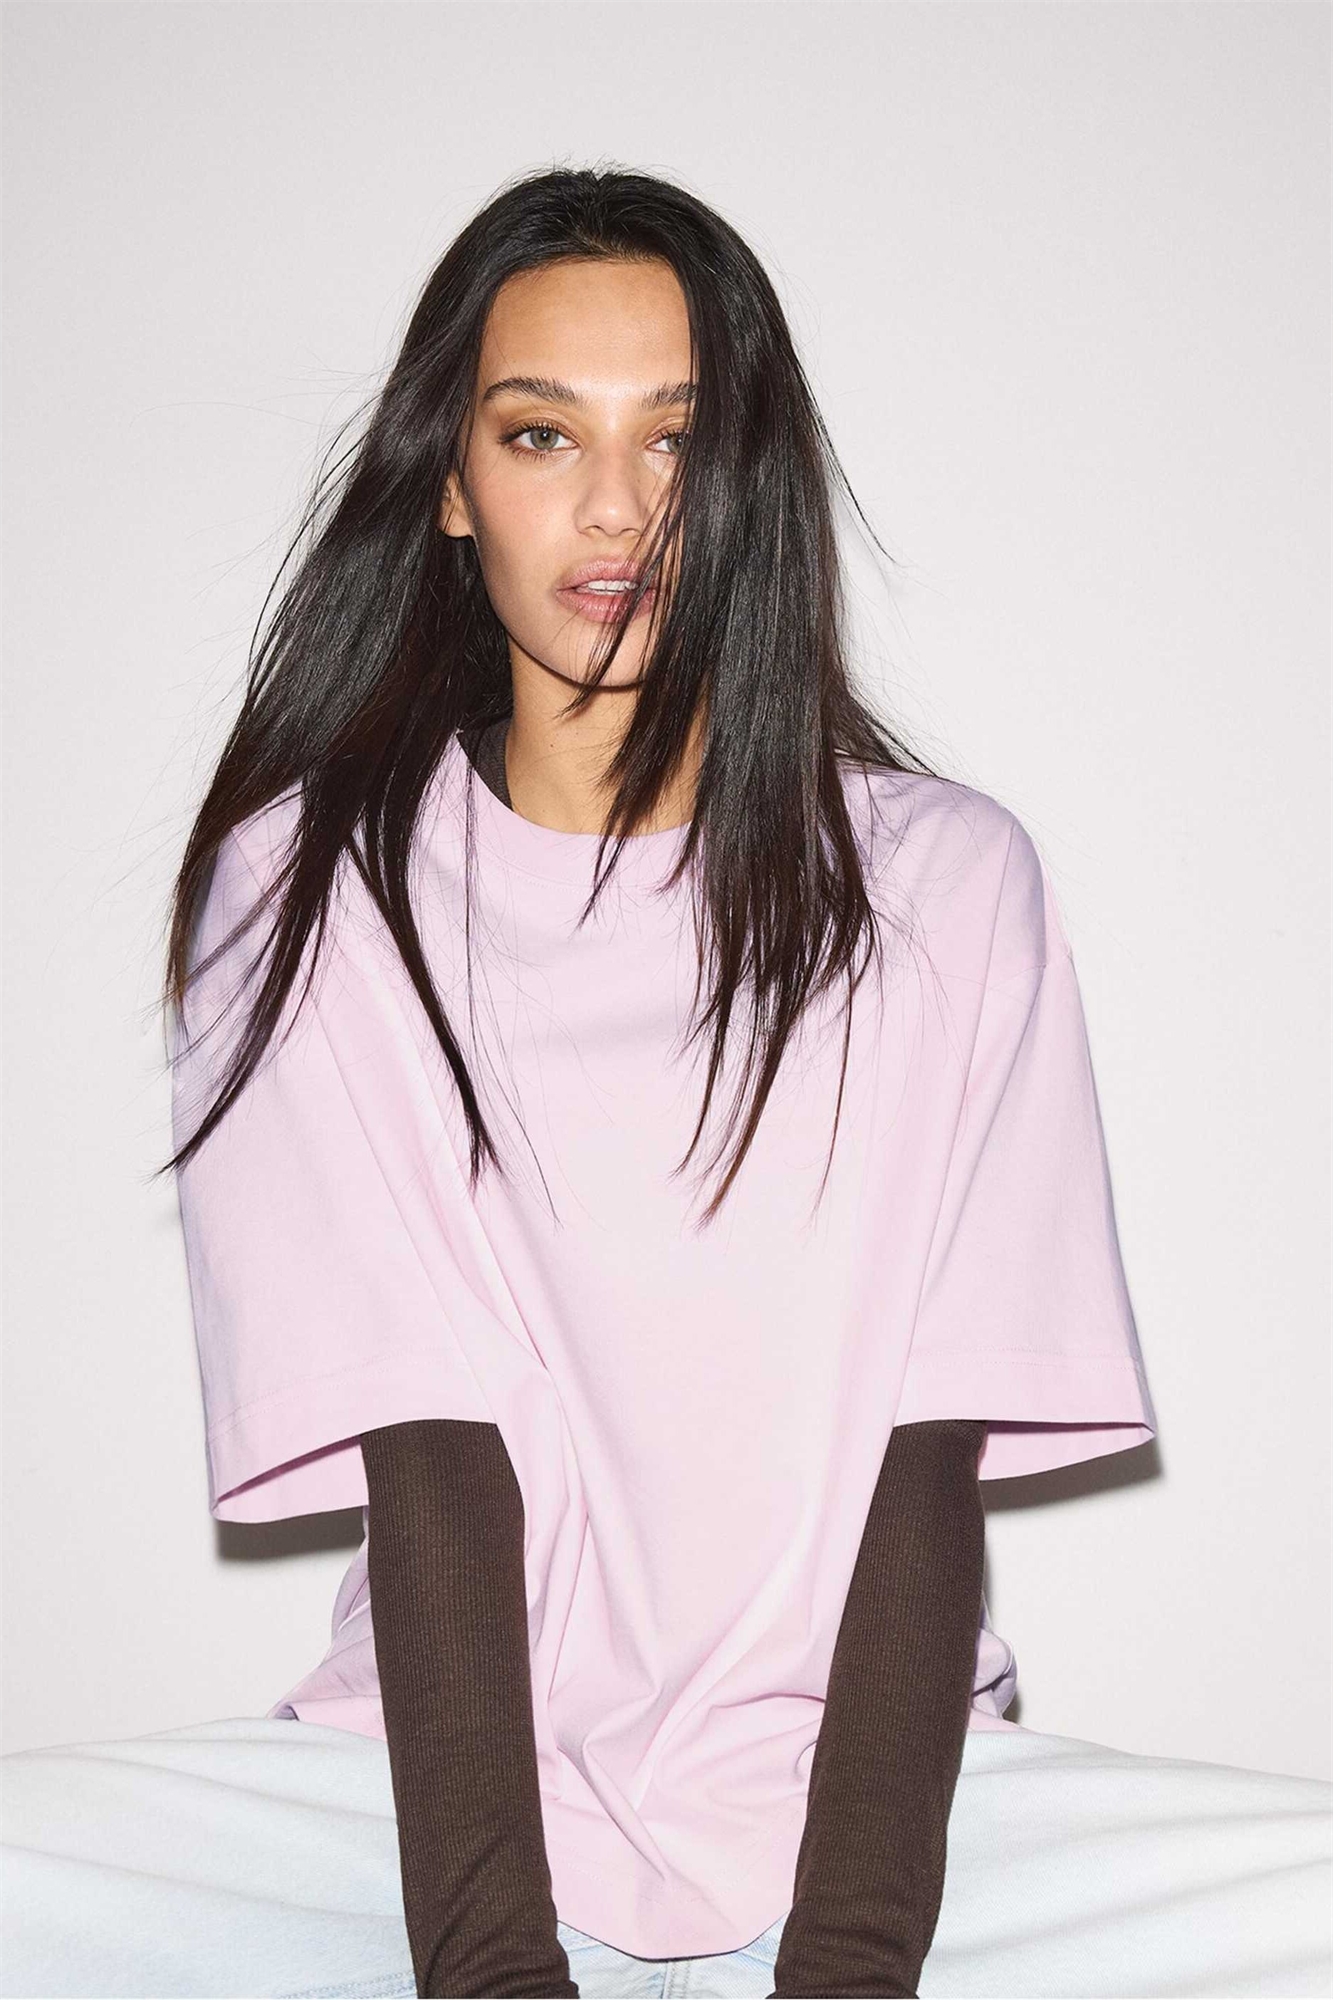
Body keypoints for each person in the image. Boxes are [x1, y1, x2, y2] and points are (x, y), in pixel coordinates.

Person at [2, 167, 1329, 2000]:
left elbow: (922, 1459)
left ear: (748, 482)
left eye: (676, 440)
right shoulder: (307, 889)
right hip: (425, 1805)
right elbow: (430, 1454)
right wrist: (494, 1973)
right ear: (451, 482)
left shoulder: (946, 885)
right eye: (542, 433)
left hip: (888, 1810)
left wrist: (847, 1966)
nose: (616, 507)